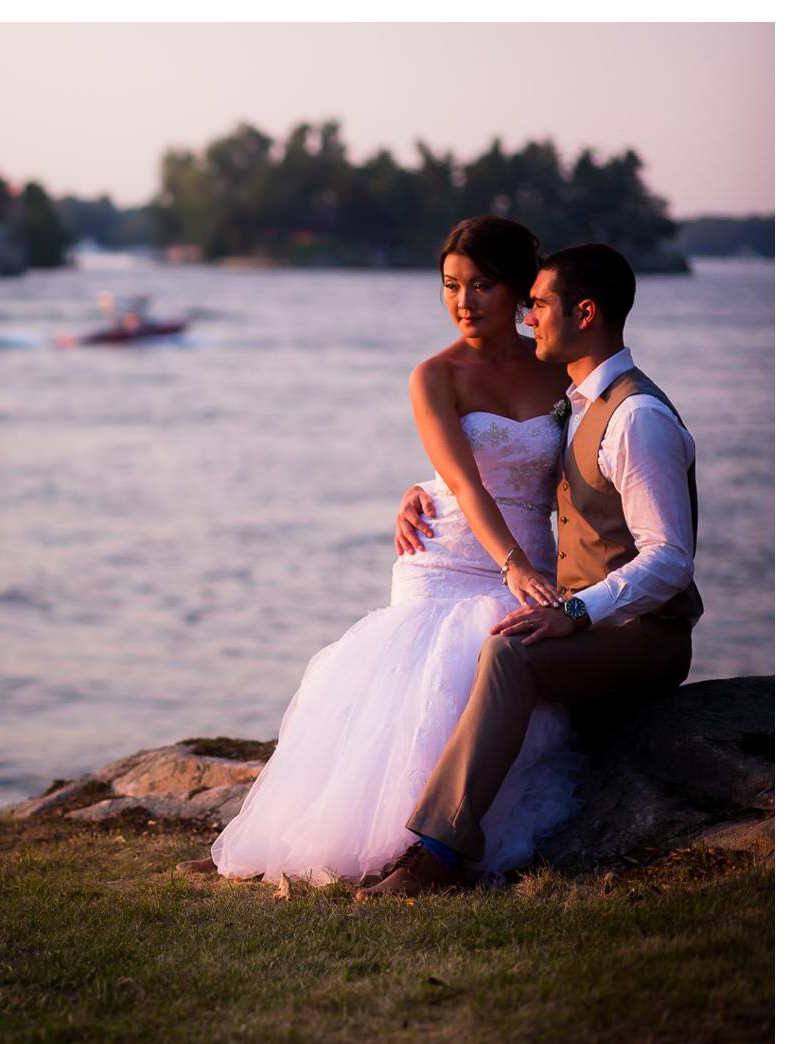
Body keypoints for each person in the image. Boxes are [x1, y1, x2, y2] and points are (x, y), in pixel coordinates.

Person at [175, 215, 582, 886]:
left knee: (503, 668)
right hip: (450, 556)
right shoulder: (434, 375)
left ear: (517, 291)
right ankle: (395, 842)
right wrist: (512, 562)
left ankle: (438, 840)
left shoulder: (559, 374)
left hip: (529, 560)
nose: (463, 302)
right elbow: (463, 481)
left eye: (481, 285)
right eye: (451, 285)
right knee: (425, 684)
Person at [357, 242, 701, 898]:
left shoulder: (636, 417)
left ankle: (439, 853)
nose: (528, 317)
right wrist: (422, 490)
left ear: (586, 313)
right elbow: (511, 468)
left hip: (645, 634)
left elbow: (671, 559)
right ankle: (427, 841)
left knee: (508, 653)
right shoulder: (575, 399)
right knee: (508, 648)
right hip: (594, 616)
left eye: (539, 305)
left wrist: (574, 611)